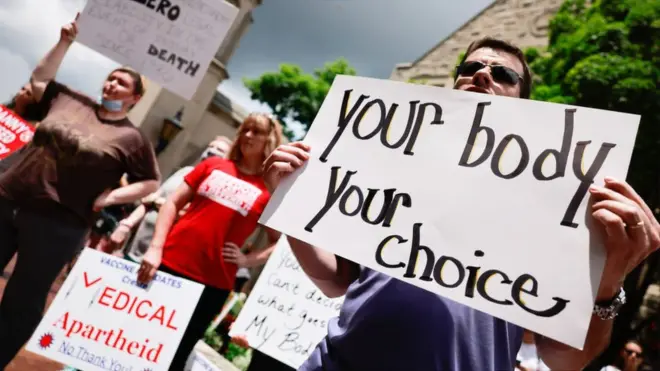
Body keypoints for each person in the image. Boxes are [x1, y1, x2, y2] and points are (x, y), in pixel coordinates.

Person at [261, 37, 660, 371]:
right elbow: (336, 280)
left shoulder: (554, 212)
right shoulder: (392, 165)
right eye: (469, 68)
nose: (481, 74)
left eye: (502, 74)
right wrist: (289, 201)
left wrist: (608, 283)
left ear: (525, 103)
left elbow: (566, 360)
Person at [0, 15, 160, 368]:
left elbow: (151, 181)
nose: (112, 85)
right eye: (110, 79)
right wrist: (64, 42)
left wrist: (111, 198)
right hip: (9, 198)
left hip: (58, 225)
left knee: (22, 299)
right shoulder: (70, 99)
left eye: (121, 83)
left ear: (135, 97)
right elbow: (40, 79)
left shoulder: (133, 138)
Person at [138, 113, 284, 370]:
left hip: (212, 284)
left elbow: (279, 242)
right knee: (136, 338)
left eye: (256, 132)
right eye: (245, 129)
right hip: (167, 263)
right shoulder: (213, 165)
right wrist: (155, 247)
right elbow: (172, 202)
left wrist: (247, 260)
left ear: (269, 141)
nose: (247, 136)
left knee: (175, 352)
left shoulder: (269, 190)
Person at [112, 136, 233, 262]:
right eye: (210, 146)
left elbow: (188, 214)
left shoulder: (216, 187)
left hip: (162, 257)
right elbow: (149, 200)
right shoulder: (185, 171)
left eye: (219, 150)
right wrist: (126, 225)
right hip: (133, 246)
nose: (211, 151)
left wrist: (157, 202)